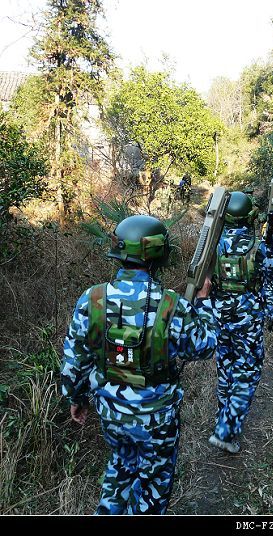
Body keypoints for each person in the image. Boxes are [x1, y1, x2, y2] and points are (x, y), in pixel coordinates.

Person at [61, 214, 218, 514]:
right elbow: (205, 346)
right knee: (153, 485)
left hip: (111, 414)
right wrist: (204, 301)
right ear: (159, 253)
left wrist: (76, 398)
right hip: (156, 420)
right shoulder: (172, 305)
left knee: (120, 466)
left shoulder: (92, 298)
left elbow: (74, 359)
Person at [208, 191, 273, 453]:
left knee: (225, 367)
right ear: (250, 216)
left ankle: (223, 416)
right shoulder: (258, 246)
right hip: (247, 319)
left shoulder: (212, 244)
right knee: (247, 371)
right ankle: (225, 430)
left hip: (219, 316)